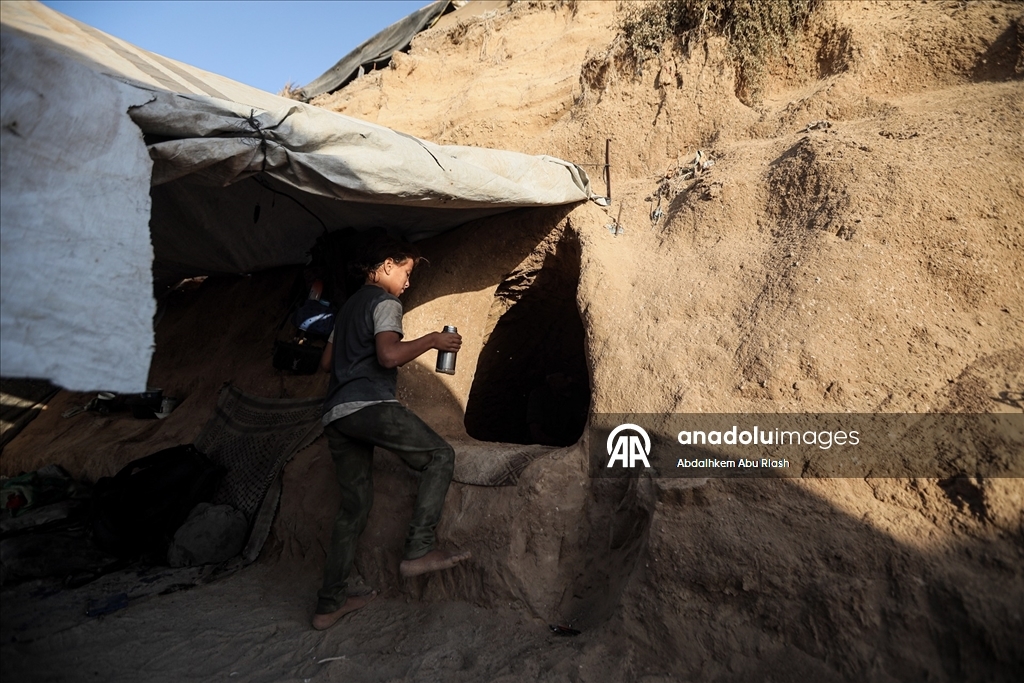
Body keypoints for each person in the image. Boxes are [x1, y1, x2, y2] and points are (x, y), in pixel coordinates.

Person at [311, 236, 469, 631]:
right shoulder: (385, 303)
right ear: (385, 266)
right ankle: (418, 548)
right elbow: (388, 356)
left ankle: (328, 605)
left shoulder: (348, 308)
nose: (408, 282)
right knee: (439, 456)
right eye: (406, 272)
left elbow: (326, 363)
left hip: (336, 414)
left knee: (353, 509)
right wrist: (433, 340)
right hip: (369, 406)